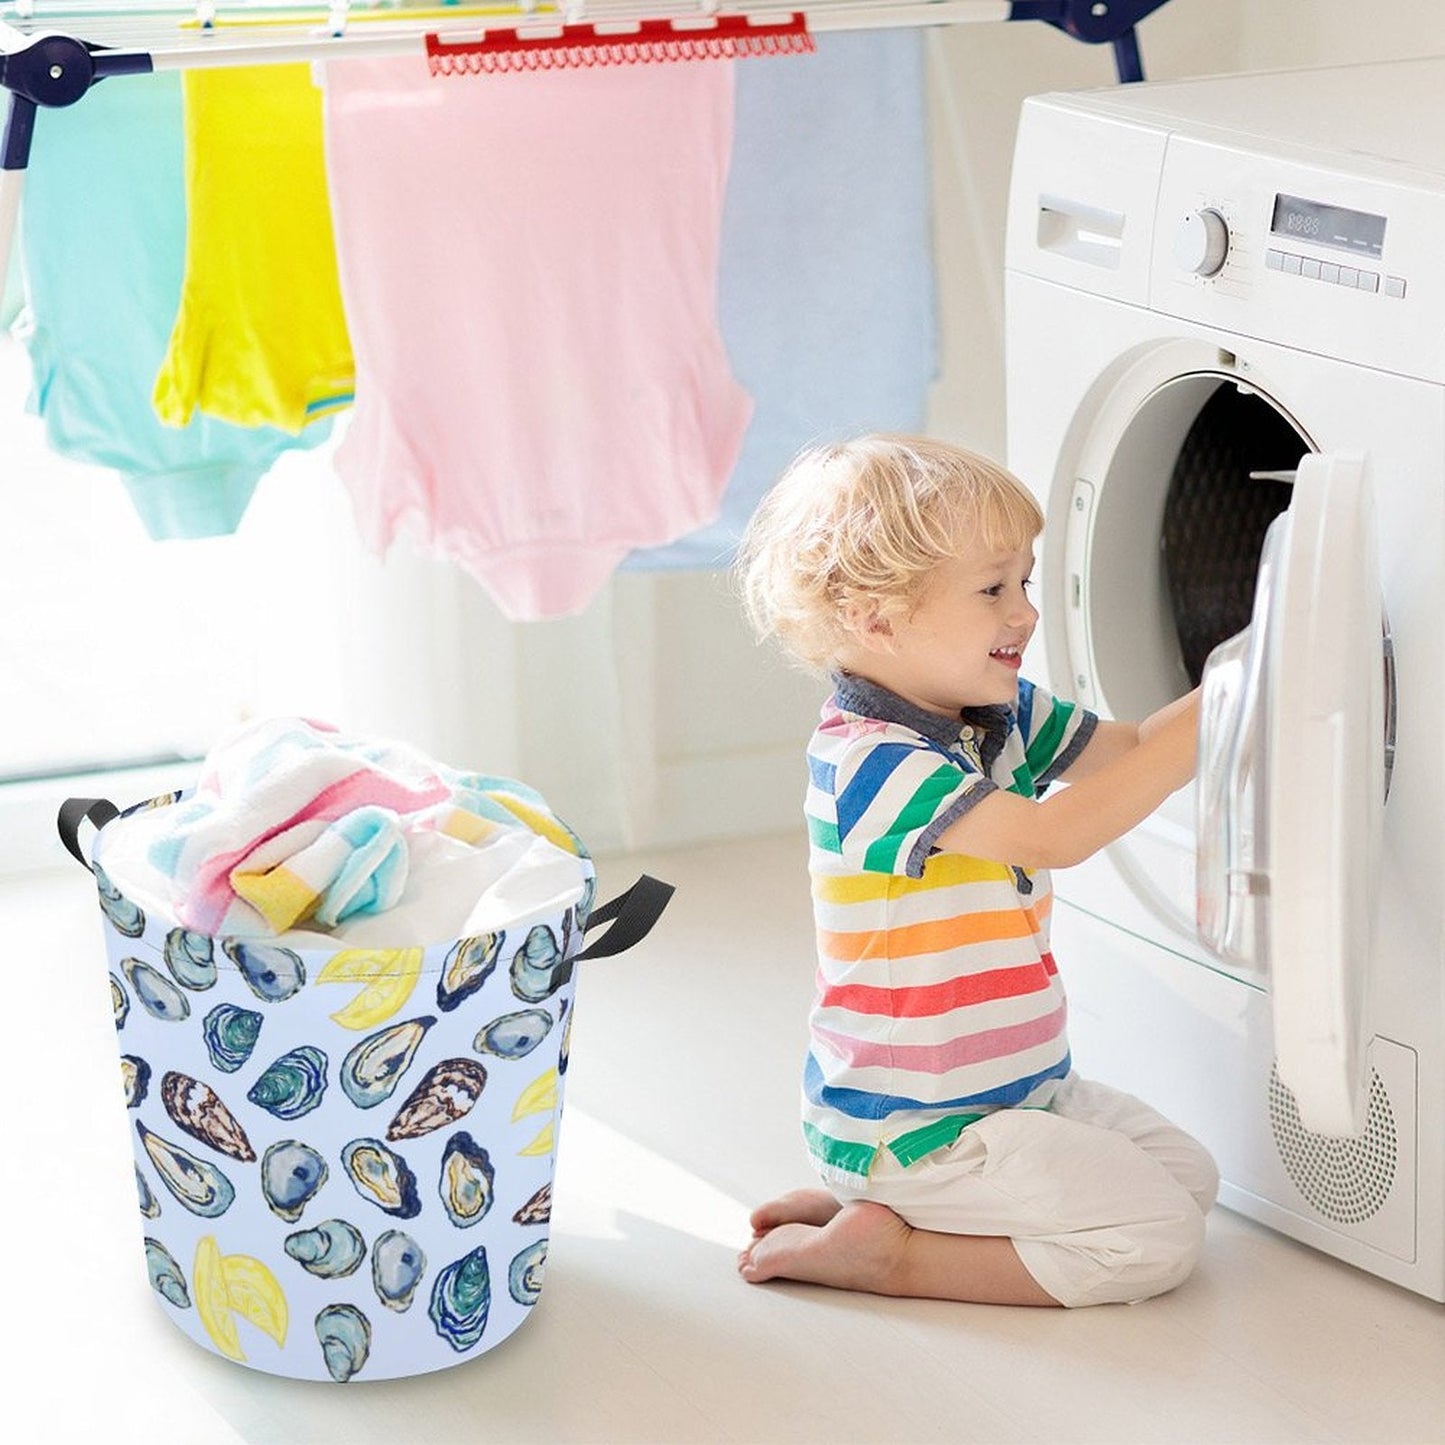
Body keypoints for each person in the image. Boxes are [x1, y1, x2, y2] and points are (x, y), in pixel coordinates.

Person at [733, 433, 1217, 1308]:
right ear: (875, 619)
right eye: (993, 588)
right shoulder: (869, 762)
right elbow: (1048, 835)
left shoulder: (994, 711)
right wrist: (1220, 709)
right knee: (1155, 1239)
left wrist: (1238, 677)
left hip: (1023, 1090)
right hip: (918, 1122)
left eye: (1023, 581)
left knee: (1191, 1180)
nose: (1024, 612)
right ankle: (889, 1251)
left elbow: (1129, 751)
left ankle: (883, 1209)